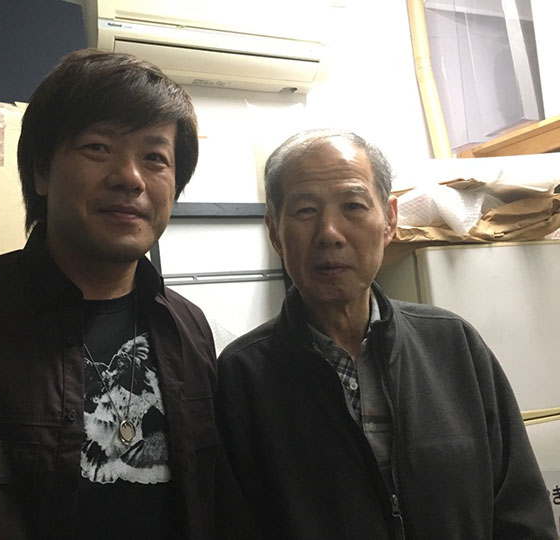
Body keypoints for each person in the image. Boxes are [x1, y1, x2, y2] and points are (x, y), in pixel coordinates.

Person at [0, 49, 253, 540]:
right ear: (41, 171)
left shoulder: (189, 327)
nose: (130, 177)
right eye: (98, 147)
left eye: (154, 158)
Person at [216, 128, 557, 540]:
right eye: (305, 210)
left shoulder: (454, 345)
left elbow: (522, 512)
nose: (329, 232)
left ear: (389, 220)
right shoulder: (242, 375)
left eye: (353, 206)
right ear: (274, 232)